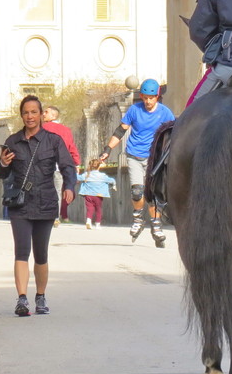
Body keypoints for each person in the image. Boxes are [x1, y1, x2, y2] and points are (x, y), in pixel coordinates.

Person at [0, 95, 76, 317]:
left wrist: (69, 186)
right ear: (21, 116)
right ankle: (22, 299)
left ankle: (40, 297)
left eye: (34, 112)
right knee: (21, 251)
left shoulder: (53, 140)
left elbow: (68, 166)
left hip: (46, 202)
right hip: (20, 205)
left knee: (41, 254)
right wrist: (2, 163)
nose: (30, 116)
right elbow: (1, 173)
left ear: (41, 115)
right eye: (26, 112)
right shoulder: (12, 141)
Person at [98, 78, 175, 247]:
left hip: (154, 158)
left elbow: (173, 134)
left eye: (151, 98)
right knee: (137, 191)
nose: (148, 101)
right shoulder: (134, 110)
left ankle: (156, 226)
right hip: (134, 156)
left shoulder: (165, 113)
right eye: (145, 97)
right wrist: (107, 150)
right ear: (141, 96)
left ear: (157, 97)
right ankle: (138, 219)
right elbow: (120, 131)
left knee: (153, 193)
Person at [42, 105, 81, 226]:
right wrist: (77, 163)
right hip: (59, 166)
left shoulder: (40, 128)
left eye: (46, 112)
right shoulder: (65, 130)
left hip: (42, 166)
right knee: (57, 191)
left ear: (53, 115)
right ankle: (55, 217)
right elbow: (71, 147)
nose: (43, 114)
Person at [77, 158, 116, 229]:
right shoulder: (102, 176)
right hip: (98, 195)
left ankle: (88, 221)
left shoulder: (87, 174)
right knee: (98, 209)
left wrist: (76, 171)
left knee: (89, 208)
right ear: (99, 166)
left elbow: (78, 178)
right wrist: (114, 184)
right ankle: (98, 224)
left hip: (88, 194)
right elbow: (111, 180)